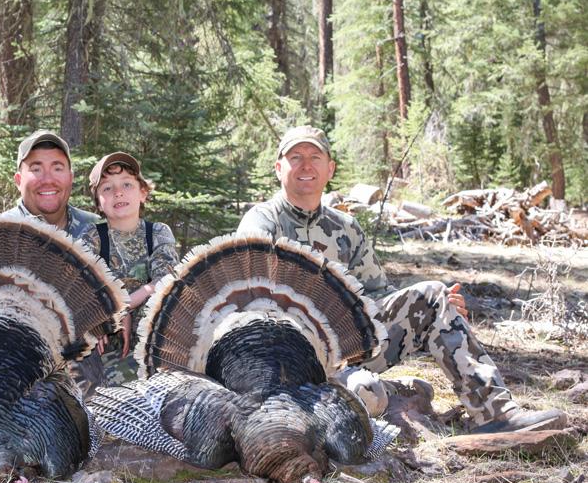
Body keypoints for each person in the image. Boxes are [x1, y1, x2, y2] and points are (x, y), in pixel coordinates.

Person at [237, 125, 567, 434]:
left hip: (344, 348)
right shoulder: (262, 221)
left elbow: (381, 295)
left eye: (315, 157)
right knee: (367, 395)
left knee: (434, 297)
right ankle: (336, 395)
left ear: (330, 169)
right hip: (282, 356)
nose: (306, 165)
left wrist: (439, 312)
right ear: (279, 168)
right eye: (295, 158)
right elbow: (250, 301)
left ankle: (495, 414)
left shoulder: (346, 228)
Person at [1, 130, 103, 395]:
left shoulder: (98, 228)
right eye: (36, 168)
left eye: (57, 167)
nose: (48, 179)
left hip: (92, 360)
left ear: (70, 177)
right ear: (18, 180)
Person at [79, 152, 180, 385]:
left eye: (127, 184)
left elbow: (164, 282)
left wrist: (120, 308)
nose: (118, 192)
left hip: (153, 342)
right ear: (98, 202)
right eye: (107, 188)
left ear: (143, 193)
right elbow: (82, 291)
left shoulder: (157, 233)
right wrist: (105, 316)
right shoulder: (93, 237)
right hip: (104, 342)